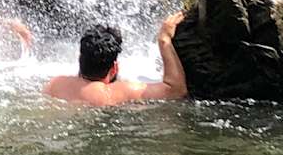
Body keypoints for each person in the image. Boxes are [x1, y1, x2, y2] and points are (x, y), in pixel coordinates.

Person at [43, 13, 187, 107]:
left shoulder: (55, 84)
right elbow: (176, 90)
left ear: (80, 59)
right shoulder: (117, 93)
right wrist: (164, 39)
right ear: (114, 68)